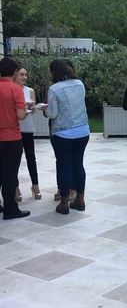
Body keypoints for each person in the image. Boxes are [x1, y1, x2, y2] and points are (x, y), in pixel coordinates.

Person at [45, 59, 90, 215]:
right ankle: (80, 199)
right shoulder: (79, 84)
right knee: (78, 165)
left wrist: (44, 110)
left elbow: (52, 113)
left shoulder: (54, 89)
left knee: (64, 166)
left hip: (63, 132)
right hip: (82, 130)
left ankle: (64, 203)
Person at [0, 57, 30, 220]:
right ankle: (10, 209)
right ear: (14, 72)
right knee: (10, 175)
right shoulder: (15, 89)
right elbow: (20, 115)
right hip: (11, 138)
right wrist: (26, 110)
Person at [13, 64, 42, 201]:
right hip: (15, 128)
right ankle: (15, 187)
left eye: (25, 75)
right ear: (15, 75)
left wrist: (33, 108)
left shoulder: (30, 91)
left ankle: (35, 186)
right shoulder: (11, 89)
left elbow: (33, 110)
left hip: (28, 128)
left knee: (31, 157)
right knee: (15, 160)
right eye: (21, 75)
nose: (24, 77)